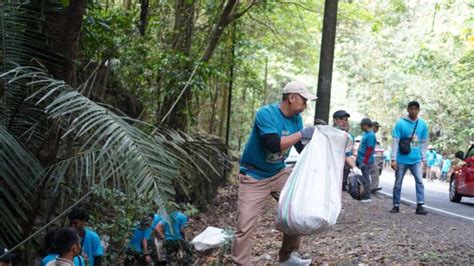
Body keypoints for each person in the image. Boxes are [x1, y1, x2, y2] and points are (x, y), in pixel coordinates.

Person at [232, 81, 360, 266]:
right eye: (304, 100)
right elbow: (273, 144)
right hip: (253, 176)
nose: (306, 105)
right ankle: (241, 263)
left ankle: (287, 257)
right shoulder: (266, 114)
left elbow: (301, 149)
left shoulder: (296, 119)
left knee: (298, 208)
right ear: (291, 98)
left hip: (279, 173)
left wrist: (318, 136)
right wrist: (302, 133)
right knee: (244, 226)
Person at [390, 101, 429, 215]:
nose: (413, 111)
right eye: (411, 109)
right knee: (398, 183)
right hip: (402, 158)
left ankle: (420, 205)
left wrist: (424, 158)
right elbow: (396, 141)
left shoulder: (422, 124)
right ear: (408, 109)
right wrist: (393, 159)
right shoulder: (400, 123)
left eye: (416, 109)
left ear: (418, 110)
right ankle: (396, 205)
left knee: (419, 181)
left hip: (415, 159)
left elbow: (423, 142)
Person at [332, 110, 360, 191]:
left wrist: (354, 167)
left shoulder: (349, 137)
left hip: (340, 168)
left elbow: (347, 154)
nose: (344, 122)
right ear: (335, 120)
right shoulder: (330, 133)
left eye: (346, 120)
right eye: (341, 119)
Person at [357, 118, 377, 202]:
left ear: (365, 125)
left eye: (362, 125)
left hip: (366, 161)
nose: (361, 127)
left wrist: (365, 161)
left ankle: (367, 196)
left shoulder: (371, 135)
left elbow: (369, 149)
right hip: (361, 159)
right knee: (362, 178)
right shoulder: (365, 134)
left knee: (366, 178)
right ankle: (362, 193)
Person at [370, 121, 383, 192]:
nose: (377, 129)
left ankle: (372, 187)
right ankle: (372, 187)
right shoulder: (371, 135)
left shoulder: (371, 134)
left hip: (367, 157)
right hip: (367, 158)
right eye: (376, 127)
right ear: (372, 127)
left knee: (374, 171)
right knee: (375, 170)